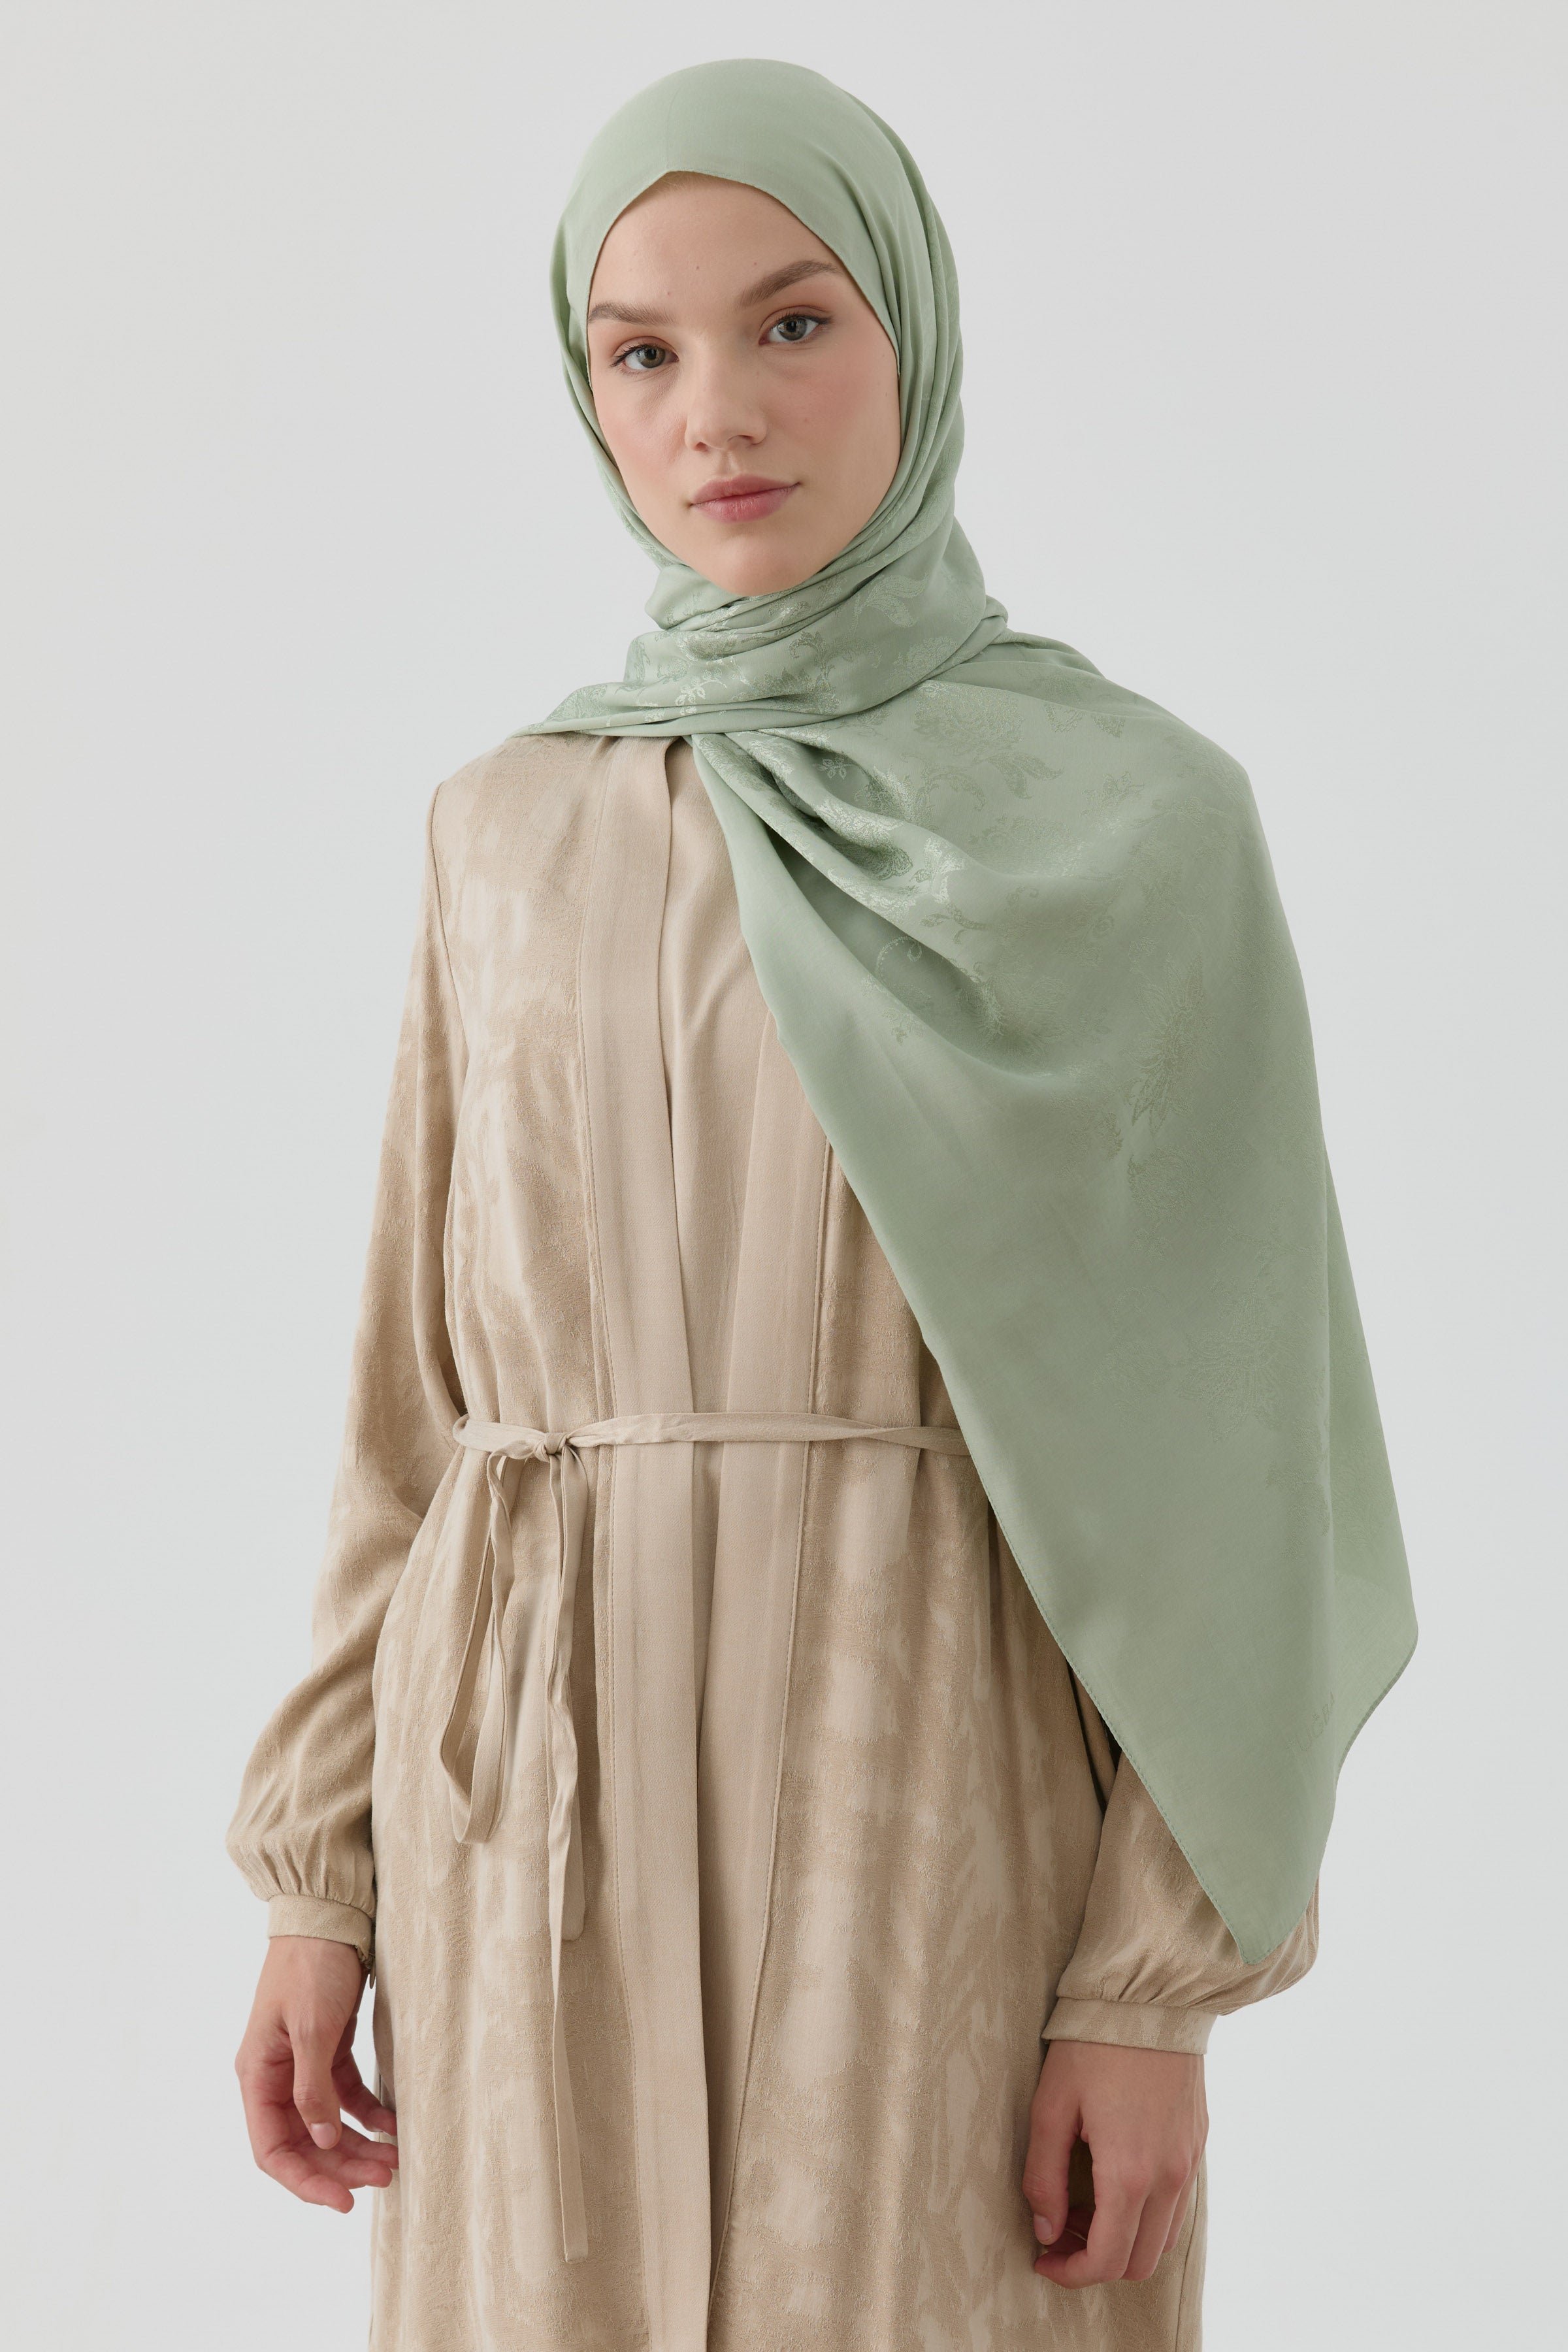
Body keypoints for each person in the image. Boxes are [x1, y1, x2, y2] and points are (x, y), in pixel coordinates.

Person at [227, 57, 1415, 2351]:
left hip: (931, 1807)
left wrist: (1150, 1988)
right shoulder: (508, 827)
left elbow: (1238, 1464)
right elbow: (416, 1413)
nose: (718, 416)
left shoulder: (1134, 827)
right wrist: (318, 1874)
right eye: (640, 353)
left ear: (915, 333)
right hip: (527, 1824)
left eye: (795, 323)